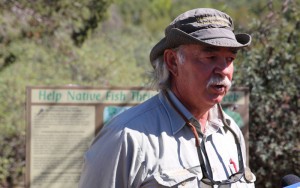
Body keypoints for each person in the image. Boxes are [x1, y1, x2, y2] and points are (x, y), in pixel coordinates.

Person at [78, 8, 256, 187]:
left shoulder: (230, 132)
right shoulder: (127, 137)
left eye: (230, 59)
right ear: (173, 61)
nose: (224, 70)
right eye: (210, 57)